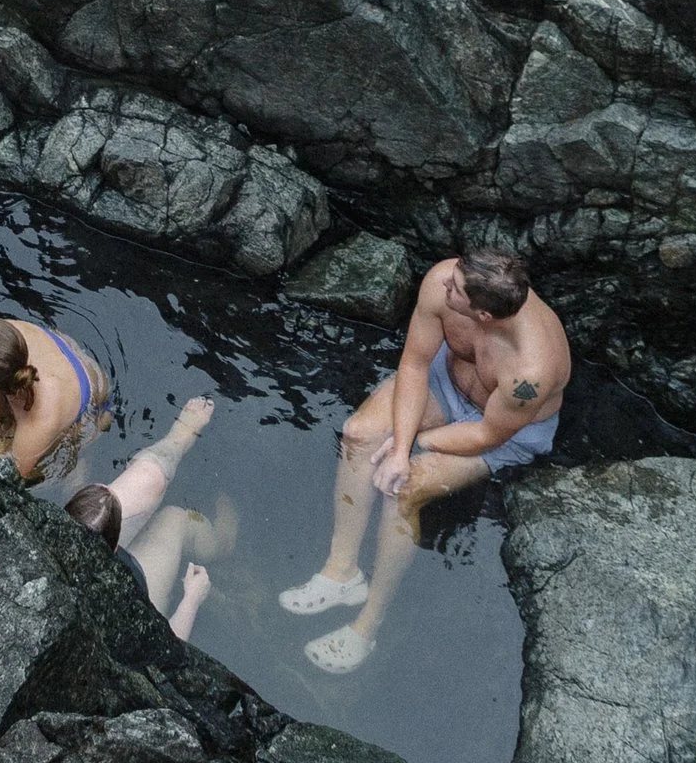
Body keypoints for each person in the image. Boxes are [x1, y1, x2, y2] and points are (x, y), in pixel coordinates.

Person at [281, 246, 568, 673]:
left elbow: (488, 433)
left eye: (455, 287)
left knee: (405, 487)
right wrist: (398, 444)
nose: (444, 281)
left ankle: (368, 625)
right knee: (360, 436)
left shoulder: (531, 371)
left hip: (503, 430)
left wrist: (415, 446)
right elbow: (415, 365)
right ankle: (341, 573)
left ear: (483, 315)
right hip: (443, 381)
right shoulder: (444, 280)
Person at [66, 395, 230, 640]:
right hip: (127, 603)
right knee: (174, 519)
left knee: (139, 481)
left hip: (87, 561)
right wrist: (192, 599)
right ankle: (222, 543)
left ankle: (178, 439)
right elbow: (166, 648)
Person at [0, 312, 109, 482]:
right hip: (35, 373)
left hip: (90, 404)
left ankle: (84, 460)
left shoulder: (40, 422)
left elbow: (12, 476)